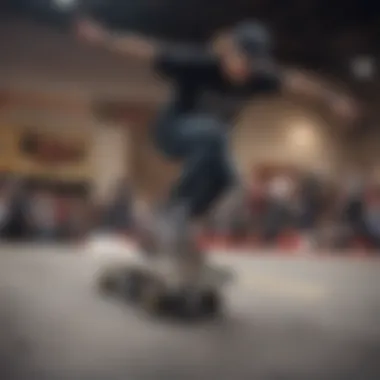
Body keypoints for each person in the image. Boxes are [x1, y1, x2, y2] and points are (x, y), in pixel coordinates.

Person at [76, 18, 356, 277]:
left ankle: (175, 226)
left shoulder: (260, 77)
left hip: (209, 142)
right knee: (214, 133)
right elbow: (148, 50)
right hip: (171, 131)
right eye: (242, 62)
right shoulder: (198, 63)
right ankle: (170, 213)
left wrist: (332, 99)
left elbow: (296, 81)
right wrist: (106, 38)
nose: (246, 71)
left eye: (253, 65)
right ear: (229, 52)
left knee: (228, 178)